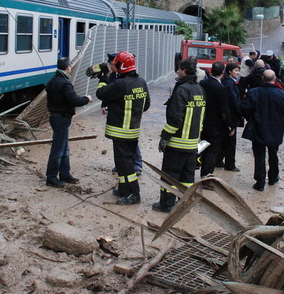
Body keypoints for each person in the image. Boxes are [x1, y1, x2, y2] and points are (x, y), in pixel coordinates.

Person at [95, 51, 150, 205]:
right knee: (124, 163)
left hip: (120, 131)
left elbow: (101, 93)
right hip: (133, 131)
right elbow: (146, 106)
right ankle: (123, 189)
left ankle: (134, 194)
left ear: (121, 65)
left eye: (115, 63)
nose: (113, 65)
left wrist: (103, 78)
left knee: (125, 165)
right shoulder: (141, 82)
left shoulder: (120, 84)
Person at [154, 59, 205, 213]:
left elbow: (175, 118)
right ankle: (185, 205)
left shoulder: (182, 90)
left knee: (170, 176)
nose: (177, 72)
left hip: (177, 144)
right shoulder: (199, 90)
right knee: (187, 178)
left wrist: (165, 137)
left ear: (184, 70)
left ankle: (166, 205)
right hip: (192, 144)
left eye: (179, 69)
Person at [241, 70, 284, 191]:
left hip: (258, 126)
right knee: (273, 153)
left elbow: (245, 108)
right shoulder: (283, 95)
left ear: (263, 79)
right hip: (275, 127)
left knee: (259, 155)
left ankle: (260, 181)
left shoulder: (254, 92)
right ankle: (273, 177)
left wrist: (252, 118)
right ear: (274, 79)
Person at [44, 57, 92, 188]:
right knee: (58, 148)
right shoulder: (65, 83)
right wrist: (86, 99)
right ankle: (51, 177)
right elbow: (74, 100)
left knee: (64, 147)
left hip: (55, 117)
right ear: (68, 68)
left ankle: (65, 174)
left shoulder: (53, 81)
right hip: (62, 118)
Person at [199, 62, 234, 178]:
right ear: (223, 73)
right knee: (213, 151)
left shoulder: (203, 83)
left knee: (204, 148)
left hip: (203, 122)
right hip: (216, 126)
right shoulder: (221, 88)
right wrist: (229, 126)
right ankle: (207, 176)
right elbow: (224, 110)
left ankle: (203, 171)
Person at [219, 62, 243, 171]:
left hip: (227, 115)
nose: (238, 73)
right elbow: (234, 102)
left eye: (238, 70)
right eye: (236, 71)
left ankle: (219, 160)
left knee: (225, 140)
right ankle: (230, 164)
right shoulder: (230, 84)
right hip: (231, 116)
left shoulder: (227, 82)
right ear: (230, 71)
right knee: (230, 142)